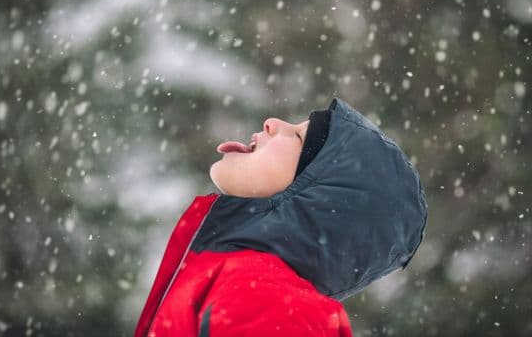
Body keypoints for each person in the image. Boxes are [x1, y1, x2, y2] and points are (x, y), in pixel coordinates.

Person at [133, 96, 428, 337]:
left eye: (299, 137)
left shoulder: (267, 301)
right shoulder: (245, 283)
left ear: (320, 201)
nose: (272, 123)